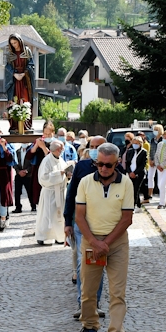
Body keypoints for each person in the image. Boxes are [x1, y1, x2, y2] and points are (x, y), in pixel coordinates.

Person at [72, 142, 135, 332]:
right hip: (92, 242)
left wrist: (106, 243)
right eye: (99, 164)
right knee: (88, 290)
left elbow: (127, 219)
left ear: (116, 164)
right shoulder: (85, 182)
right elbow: (79, 216)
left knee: (118, 292)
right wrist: (94, 242)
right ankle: (90, 326)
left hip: (116, 244)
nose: (103, 169)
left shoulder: (126, 184)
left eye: (108, 165)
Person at [64, 136, 107, 319]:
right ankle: (83, 304)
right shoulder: (82, 167)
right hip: (81, 223)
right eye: (93, 146)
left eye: (99, 146)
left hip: (103, 225)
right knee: (83, 263)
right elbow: (71, 194)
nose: (95, 149)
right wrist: (67, 221)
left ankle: (94, 303)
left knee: (98, 263)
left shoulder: (114, 167)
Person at [36, 139, 69, 245]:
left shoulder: (60, 160)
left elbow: (63, 173)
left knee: (59, 217)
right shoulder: (46, 161)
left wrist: (67, 175)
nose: (62, 150)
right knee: (47, 215)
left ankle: (59, 237)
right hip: (49, 193)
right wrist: (60, 173)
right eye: (61, 149)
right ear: (57, 149)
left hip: (60, 192)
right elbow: (43, 178)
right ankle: (42, 236)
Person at [4, 33, 35, 133]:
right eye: (12, 43)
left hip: (25, 81)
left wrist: (24, 73)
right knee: (14, 101)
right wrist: (14, 74)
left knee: (25, 100)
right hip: (14, 82)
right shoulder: (9, 54)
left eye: (15, 42)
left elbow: (31, 64)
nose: (14, 45)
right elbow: (7, 67)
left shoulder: (27, 51)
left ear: (20, 41)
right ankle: (14, 126)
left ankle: (26, 125)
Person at [25, 120, 54, 212]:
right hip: (39, 171)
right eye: (45, 134)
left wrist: (43, 147)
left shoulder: (55, 143)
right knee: (38, 196)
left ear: (53, 133)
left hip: (51, 172)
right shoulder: (39, 141)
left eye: (49, 134)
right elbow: (28, 156)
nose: (47, 136)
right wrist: (37, 145)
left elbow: (52, 158)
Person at [125, 136, 148, 211]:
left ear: (140, 144)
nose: (135, 145)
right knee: (132, 190)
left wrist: (135, 173)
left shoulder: (143, 152)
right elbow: (127, 163)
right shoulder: (130, 151)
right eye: (134, 143)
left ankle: (134, 206)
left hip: (139, 174)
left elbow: (142, 165)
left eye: (137, 143)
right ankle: (138, 205)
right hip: (130, 173)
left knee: (136, 189)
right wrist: (129, 172)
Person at [13, 141, 32, 213]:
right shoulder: (17, 152)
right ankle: (18, 207)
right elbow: (14, 163)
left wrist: (27, 171)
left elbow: (32, 163)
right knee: (17, 192)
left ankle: (33, 205)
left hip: (28, 175)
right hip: (18, 175)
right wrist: (18, 171)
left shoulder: (31, 151)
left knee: (30, 191)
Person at [147, 124, 164, 201]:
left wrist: (156, 161)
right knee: (150, 177)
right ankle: (150, 193)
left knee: (160, 178)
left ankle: (162, 194)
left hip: (160, 161)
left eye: (157, 130)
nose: (155, 131)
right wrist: (150, 159)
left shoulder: (163, 140)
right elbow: (151, 150)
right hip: (152, 161)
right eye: (154, 130)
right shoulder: (152, 140)